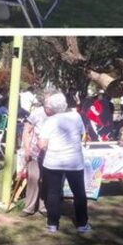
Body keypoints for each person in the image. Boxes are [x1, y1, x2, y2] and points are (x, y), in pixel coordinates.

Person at [38, 93, 89, 234]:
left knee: (53, 193)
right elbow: (80, 135)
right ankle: (82, 225)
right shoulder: (76, 116)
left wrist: (42, 143)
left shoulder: (49, 121)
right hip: (74, 162)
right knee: (79, 193)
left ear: (52, 108)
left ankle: (52, 224)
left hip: (53, 162)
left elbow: (42, 145)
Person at [20, 100, 48, 217]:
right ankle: (29, 207)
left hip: (50, 153)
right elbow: (26, 130)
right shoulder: (37, 113)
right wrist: (26, 149)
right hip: (35, 151)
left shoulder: (59, 114)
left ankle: (43, 207)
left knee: (46, 179)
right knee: (33, 178)